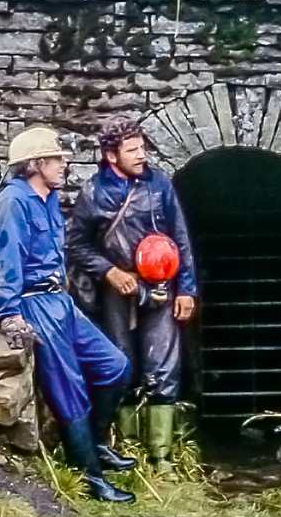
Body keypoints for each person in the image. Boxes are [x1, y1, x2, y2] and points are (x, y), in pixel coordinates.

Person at [0, 124, 137, 504]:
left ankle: (97, 445)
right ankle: (91, 477)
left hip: (60, 302)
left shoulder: (48, 197)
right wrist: (8, 314)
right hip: (35, 304)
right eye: (56, 158)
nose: (64, 164)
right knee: (70, 390)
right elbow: (5, 262)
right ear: (35, 163)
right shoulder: (14, 202)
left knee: (115, 366)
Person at [68, 116, 197, 473]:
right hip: (118, 293)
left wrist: (186, 290)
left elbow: (181, 238)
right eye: (132, 150)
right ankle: (125, 449)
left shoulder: (160, 185)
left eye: (142, 148)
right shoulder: (94, 192)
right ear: (112, 155)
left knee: (163, 368)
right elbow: (76, 244)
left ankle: (162, 458)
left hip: (161, 289)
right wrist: (109, 272)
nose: (142, 156)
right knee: (120, 365)